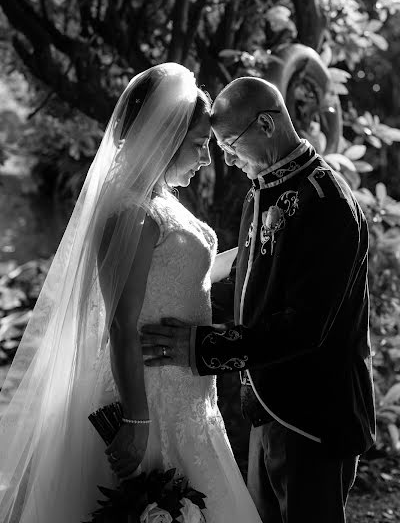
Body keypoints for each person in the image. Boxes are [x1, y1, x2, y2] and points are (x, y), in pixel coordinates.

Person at [0, 64, 263, 523]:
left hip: (190, 392)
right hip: (150, 395)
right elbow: (122, 323)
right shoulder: (131, 212)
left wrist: (253, 253)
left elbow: (183, 277)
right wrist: (137, 420)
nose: (207, 159)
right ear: (165, 138)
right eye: (200, 145)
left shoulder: (161, 199)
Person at [141, 77, 376, 523]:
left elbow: (305, 326)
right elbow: (247, 289)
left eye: (230, 144)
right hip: (268, 406)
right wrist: (168, 306)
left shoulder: (327, 203)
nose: (226, 159)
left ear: (265, 125)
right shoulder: (263, 189)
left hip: (314, 418)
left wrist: (201, 348)